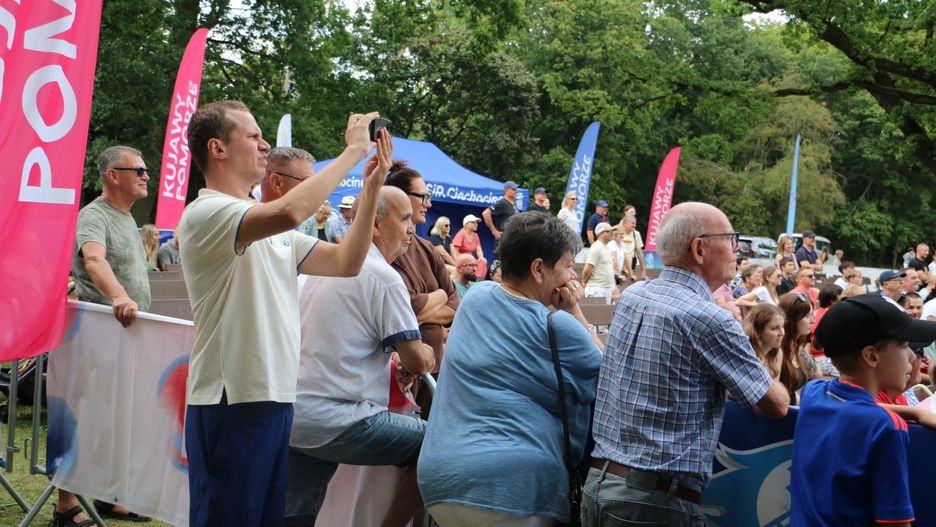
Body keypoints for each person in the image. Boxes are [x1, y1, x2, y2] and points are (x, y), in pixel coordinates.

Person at [179, 101, 387, 527]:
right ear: (217, 148)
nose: (264, 143)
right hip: (230, 400)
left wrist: (371, 188)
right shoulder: (206, 212)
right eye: (253, 136)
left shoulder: (277, 234)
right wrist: (352, 153)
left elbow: (347, 260)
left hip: (273, 397)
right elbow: (291, 210)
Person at [585, 202, 789, 526]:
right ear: (699, 248)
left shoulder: (633, 295)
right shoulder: (710, 318)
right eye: (731, 238)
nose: (737, 248)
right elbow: (776, 404)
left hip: (600, 485)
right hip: (655, 504)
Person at [419, 212, 602, 526]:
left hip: (439, 480)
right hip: (514, 489)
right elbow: (609, 375)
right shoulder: (560, 327)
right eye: (568, 266)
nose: (571, 277)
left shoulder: (476, 298)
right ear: (538, 269)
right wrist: (573, 310)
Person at [286, 186, 434, 527]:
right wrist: (424, 353)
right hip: (338, 418)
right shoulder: (383, 277)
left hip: (293, 416)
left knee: (292, 516)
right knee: (437, 442)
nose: (413, 228)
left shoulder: (320, 269)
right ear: (377, 225)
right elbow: (418, 361)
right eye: (406, 218)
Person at [61, 145, 154, 527]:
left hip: (122, 334)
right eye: (138, 170)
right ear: (113, 175)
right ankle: (65, 507)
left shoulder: (127, 219)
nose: (146, 175)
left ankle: (109, 496)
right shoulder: (94, 215)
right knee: (85, 417)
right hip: (99, 333)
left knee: (120, 417)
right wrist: (119, 297)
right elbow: (93, 259)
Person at [791, 294, 936, 527]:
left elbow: (858, 406)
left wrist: (915, 413)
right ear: (871, 355)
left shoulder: (814, 393)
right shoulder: (887, 427)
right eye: (904, 345)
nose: (911, 357)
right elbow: (895, 523)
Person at [386, 161, 460, 417]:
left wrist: (414, 313)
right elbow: (405, 304)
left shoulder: (427, 248)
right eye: (423, 196)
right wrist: (439, 297)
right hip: (398, 367)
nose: (428, 203)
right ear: (400, 198)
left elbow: (454, 304)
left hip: (435, 364)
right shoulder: (385, 249)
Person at [778, 293, 821, 404]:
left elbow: (817, 376)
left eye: (812, 315)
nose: (813, 320)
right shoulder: (775, 350)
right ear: (791, 318)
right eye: (807, 316)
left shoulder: (796, 346)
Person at [743, 303, 786, 382]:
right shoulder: (747, 355)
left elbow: (774, 388)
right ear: (758, 331)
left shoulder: (777, 353)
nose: (782, 333)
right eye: (774, 328)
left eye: (782, 326)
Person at [582, 221, 616, 301]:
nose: (611, 233)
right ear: (600, 233)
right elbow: (587, 269)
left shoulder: (605, 247)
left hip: (605, 289)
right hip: (596, 290)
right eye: (608, 231)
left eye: (611, 231)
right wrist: (584, 282)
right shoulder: (596, 247)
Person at [451, 213, 486, 278]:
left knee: (482, 262)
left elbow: (479, 249)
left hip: (471, 260)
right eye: (473, 223)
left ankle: (478, 281)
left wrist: (481, 257)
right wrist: (464, 259)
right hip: (462, 259)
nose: (476, 225)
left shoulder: (476, 235)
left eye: (476, 223)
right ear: (466, 224)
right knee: (471, 265)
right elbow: (454, 251)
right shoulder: (461, 234)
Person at [617, 214, 647, 281]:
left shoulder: (636, 234)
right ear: (624, 223)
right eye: (632, 223)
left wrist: (643, 272)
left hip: (628, 271)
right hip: (616, 270)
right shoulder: (616, 232)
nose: (634, 225)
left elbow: (639, 253)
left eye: (635, 223)